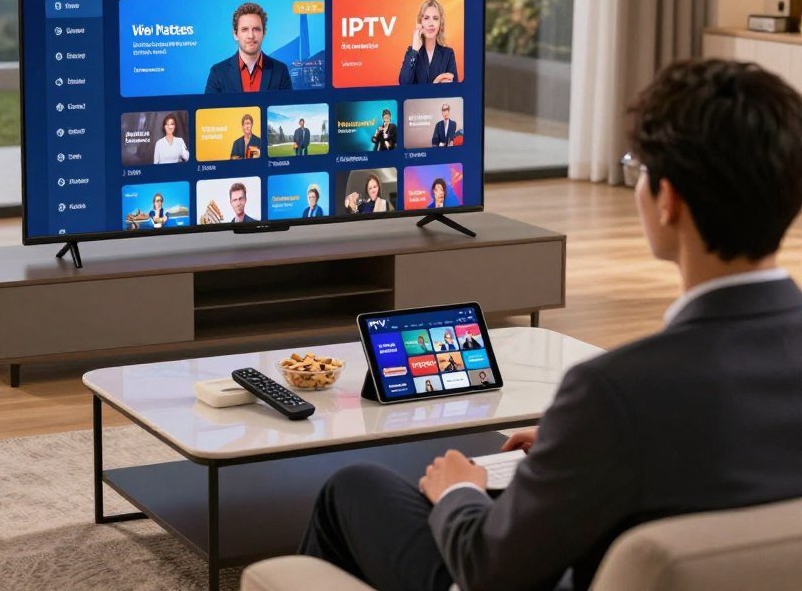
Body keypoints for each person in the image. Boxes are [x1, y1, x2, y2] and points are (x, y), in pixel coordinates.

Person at [299, 59, 802, 591]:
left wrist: (458, 492)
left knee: (353, 487)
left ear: (669, 200)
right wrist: (581, 446)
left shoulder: (612, 391)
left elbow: (488, 571)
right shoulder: (621, 405)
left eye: (640, 169)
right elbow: (737, 444)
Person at [205, 2, 292, 93]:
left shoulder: (280, 71)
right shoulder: (218, 73)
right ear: (235, 34)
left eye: (256, 29)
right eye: (244, 29)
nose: (251, 36)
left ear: (264, 33)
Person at [399, 0, 459, 85]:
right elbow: (404, 83)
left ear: (440, 24)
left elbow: (453, 88)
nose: (431, 23)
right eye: (426, 18)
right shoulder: (412, 52)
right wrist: (414, 50)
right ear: (420, 22)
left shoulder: (448, 54)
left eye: (435, 18)